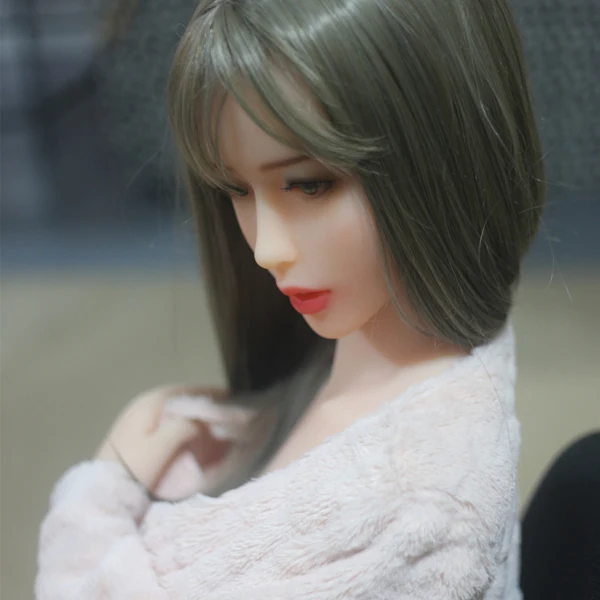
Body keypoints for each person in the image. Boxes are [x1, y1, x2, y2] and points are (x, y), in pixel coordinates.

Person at [35, 0, 546, 598]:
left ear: (445, 154)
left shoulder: (412, 510)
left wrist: (101, 496)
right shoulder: (399, 383)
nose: (266, 249)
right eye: (236, 189)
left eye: (309, 185)